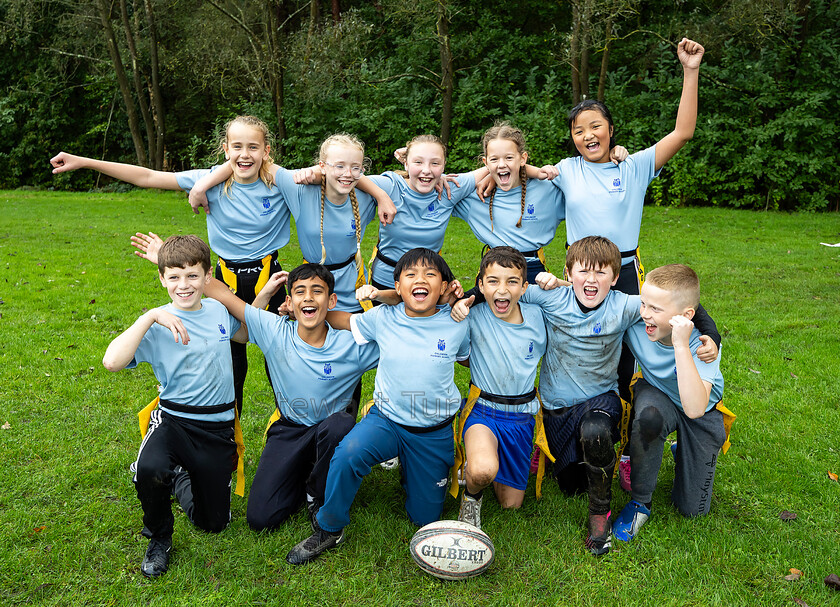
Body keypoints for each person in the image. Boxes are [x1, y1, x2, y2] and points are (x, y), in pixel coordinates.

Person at [451, 236, 719, 555]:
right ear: (568, 272)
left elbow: (680, 303)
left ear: (616, 279)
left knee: (596, 433)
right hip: (556, 408)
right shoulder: (548, 298)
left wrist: (711, 334)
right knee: (571, 486)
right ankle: (544, 454)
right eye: (583, 272)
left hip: (600, 399)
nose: (591, 280)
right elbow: (502, 288)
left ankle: (599, 517)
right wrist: (464, 299)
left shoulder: (627, 306)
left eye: (602, 273)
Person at [52, 116, 290, 414]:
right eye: (237, 146)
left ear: (266, 151)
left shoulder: (280, 182)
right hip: (220, 280)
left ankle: (293, 432)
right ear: (225, 149)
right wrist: (85, 161)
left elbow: (328, 178)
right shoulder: (210, 180)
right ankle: (227, 437)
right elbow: (148, 177)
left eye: (253, 147)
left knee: (284, 363)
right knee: (230, 366)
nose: (245, 154)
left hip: (271, 277)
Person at [544, 38, 706, 402]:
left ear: (611, 129)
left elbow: (683, 133)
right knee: (575, 347)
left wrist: (690, 71)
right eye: (578, 130)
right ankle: (574, 416)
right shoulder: (567, 170)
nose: (588, 135)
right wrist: (490, 175)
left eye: (595, 126)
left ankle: (625, 431)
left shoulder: (634, 167)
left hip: (627, 272)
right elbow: (518, 171)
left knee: (630, 353)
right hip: (580, 273)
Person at [285, 248, 470, 564]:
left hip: (432, 431)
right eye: (410, 275)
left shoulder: (457, 322)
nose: (420, 280)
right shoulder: (384, 317)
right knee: (347, 454)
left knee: (424, 519)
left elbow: (468, 358)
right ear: (398, 287)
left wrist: (460, 303)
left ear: (444, 287)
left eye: (430, 275)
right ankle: (329, 528)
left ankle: (412, 469)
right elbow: (346, 319)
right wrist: (307, 311)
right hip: (387, 420)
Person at [102, 235, 247, 578]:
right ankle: (159, 538)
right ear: (162, 278)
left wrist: (267, 299)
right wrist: (151, 316)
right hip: (174, 422)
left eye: (193, 276)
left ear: (208, 276)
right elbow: (111, 362)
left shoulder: (216, 309)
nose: (184, 285)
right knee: (150, 470)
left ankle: (181, 475)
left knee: (213, 524)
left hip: (217, 427)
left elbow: (241, 333)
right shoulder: (156, 324)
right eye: (174, 277)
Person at [202, 264, 380, 533]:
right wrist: (166, 259)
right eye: (300, 292)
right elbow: (224, 295)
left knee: (339, 424)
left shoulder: (349, 344)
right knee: (260, 519)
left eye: (317, 291)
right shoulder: (275, 330)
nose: (308, 297)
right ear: (289, 302)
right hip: (289, 429)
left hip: (330, 431)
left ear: (331, 300)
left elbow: (396, 334)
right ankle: (305, 472)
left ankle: (316, 493)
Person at [189, 133, 398, 313]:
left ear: (363, 170)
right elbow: (261, 163)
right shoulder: (299, 188)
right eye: (339, 165)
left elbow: (412, 180)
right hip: (314, 284)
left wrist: (382, 196)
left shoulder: (368, 190)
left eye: (356, 168)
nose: (347, 173)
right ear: (322, 166)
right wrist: (201, 186)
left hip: (353, 286)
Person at [613, 264, 732, 542]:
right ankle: (640, 503)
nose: (645, 314)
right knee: (649, 417)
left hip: (701, 409)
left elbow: (695, 408)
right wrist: (558, 283)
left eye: (655, 309)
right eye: (644, 304)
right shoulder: (639, 321)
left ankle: (685, 449)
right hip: (658, 394)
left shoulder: (702, 344)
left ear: (686, 316)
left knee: (693, 510)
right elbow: (594, 298)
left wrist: (680, 345)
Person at [447, 247, 547, 529]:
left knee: (511, 505)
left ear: (525, 287)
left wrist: (556, 282)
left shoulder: (539, 316)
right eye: (493, 281)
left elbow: (569, 298)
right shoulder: (472, 315)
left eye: (512, 282)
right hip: (483, 411)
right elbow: (461, 354)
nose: (502, 290)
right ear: (480, 285)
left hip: (522, 416)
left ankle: (487, 462)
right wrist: (457, 303)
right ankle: (471, 495)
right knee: (482, 471)